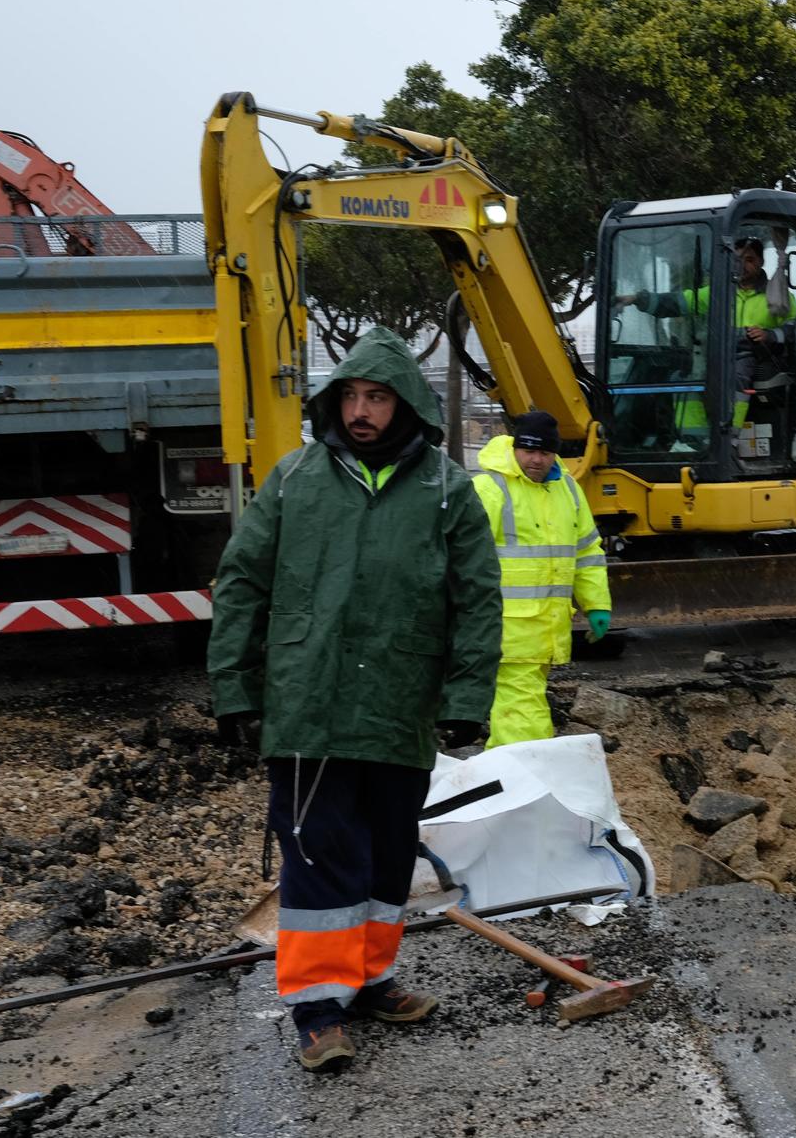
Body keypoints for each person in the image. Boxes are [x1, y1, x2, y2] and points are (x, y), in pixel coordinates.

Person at [207, 326, 502, 1073]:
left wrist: (468, 692)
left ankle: (370, 979)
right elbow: (241, 581)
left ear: (405, 404)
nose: (361, 410)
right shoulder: (296, 479)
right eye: (350, 395)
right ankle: (314, 1006)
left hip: (399, 705)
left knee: (386, 854)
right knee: (318, 853)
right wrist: (236, 689)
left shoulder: (445, 487)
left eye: (377, 396)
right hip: (310, 707)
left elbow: (476, 598)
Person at [471, 410, 612, 747]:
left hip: (546, 628)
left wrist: (597, 604)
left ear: (555, 453)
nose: (536, 460)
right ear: (515, 447)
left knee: (517, 711)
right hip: (508, 631)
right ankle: (527, 777)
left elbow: (587, 551)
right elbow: (462, 560)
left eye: (545, 452)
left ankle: (507, 780)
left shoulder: (567, 490)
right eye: (529, 451)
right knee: (524, 716)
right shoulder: (489, 489)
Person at [616, 234, 796, 430]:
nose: (742, 265)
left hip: (757, 356)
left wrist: (769, 335)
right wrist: (637, 299)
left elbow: (794, 327)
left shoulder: (778, 295)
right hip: (718, 356)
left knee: (735, 378)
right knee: (683, 377)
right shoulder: (718, 292)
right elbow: (679, 302)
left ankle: (730, 436)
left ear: (761, 261)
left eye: (749, 260)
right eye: (737, 260)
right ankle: (693, 438)